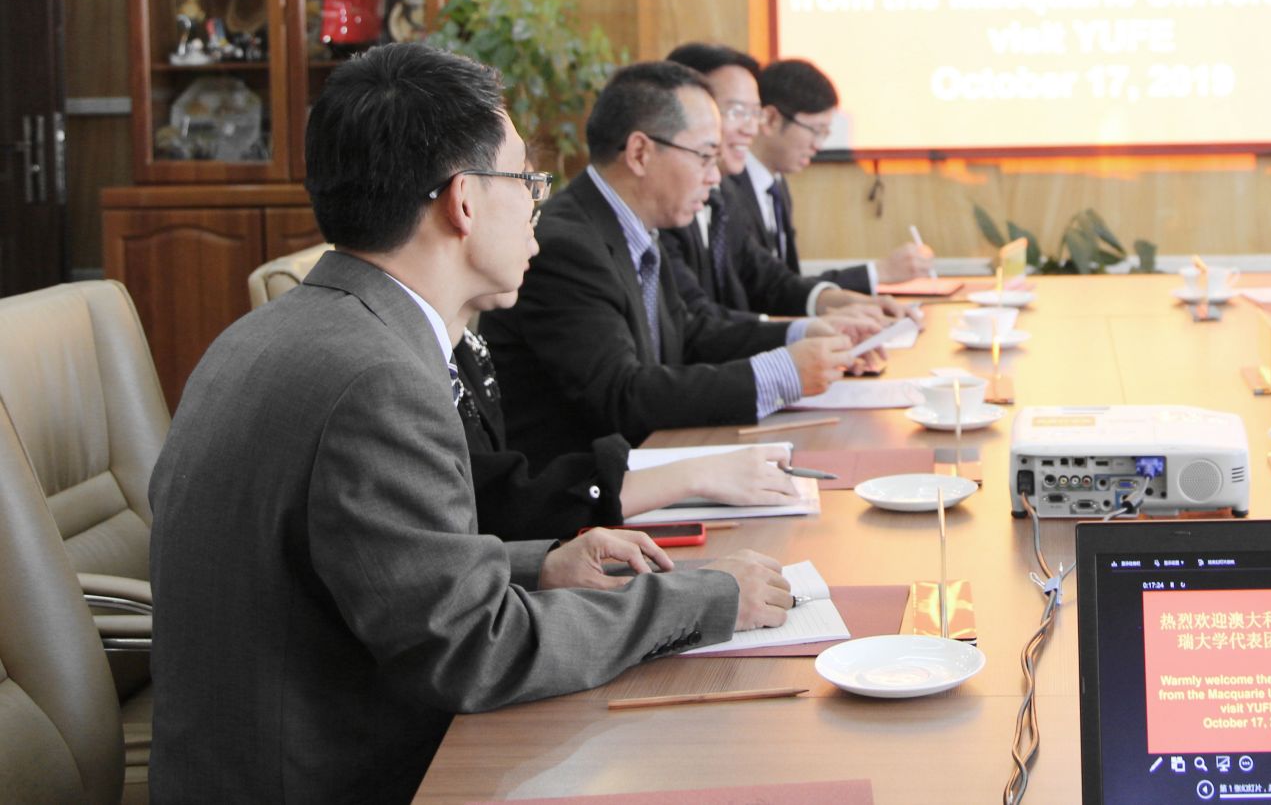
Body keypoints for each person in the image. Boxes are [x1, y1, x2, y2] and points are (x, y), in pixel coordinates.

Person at [148, 44, 792, 805]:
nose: (538, 206)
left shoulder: (285, 331)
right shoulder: (378, 380)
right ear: (462, 202)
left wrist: (540, 565)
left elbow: (381, 571)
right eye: (526, 181)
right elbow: (475, 652)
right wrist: (705, 597)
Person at [483, 61, 858, 467]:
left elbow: (689, 334)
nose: (715, 178)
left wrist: (801, 334)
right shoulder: (567, 246)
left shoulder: (634, 226)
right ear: (640, 153)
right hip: (585, 492)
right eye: (705, 156)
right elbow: (621, 395)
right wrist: (780, 373)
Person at [455, 291, 800, 541]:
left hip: (549, 533)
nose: (534, 238)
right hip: (556, 516)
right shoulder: (566, 243)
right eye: (528, 216)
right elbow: (493, 504)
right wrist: (696, 474)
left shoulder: (460, 342)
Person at [663, 42, 913, 325]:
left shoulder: (724, 196)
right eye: (736, 112)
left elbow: (771, 281)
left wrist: (857, 304)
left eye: (754, 113)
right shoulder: (666, 207)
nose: (751, 128)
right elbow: (698, 323)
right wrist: (809, 330)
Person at [729, 56, 934, 291]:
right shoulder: (728, 190)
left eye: (825, 134)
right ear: (771, 120)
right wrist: (879, 272)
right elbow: (766, 291)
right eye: (815, 130)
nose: (818, 145)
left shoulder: (776, 186)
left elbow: (788, 285)